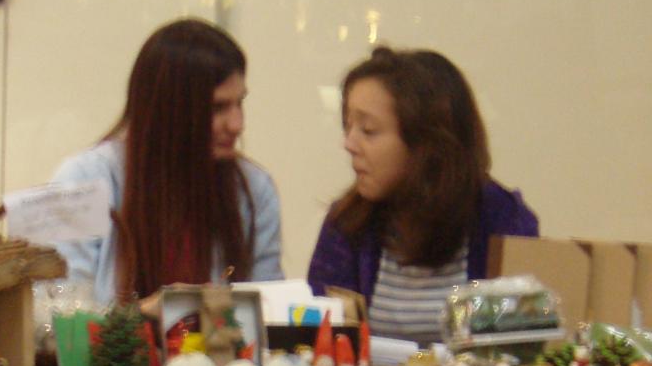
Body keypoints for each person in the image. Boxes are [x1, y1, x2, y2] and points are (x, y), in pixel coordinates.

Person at [307, 47, 538, 342]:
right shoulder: (347, 224)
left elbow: (520, 346)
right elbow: (323, 341)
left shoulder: (503, 220)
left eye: (368, 129)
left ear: (425, 143)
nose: (349, 143)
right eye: (348, 126)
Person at [49, 18, 282, 303]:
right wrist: (141, 316)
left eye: (240, 103)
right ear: (169, 109)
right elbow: (59, 312)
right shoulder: (83, 181)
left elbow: (269, 308)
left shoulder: (254, 190)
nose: (237, 124)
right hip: (114, 336)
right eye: (218, 108)